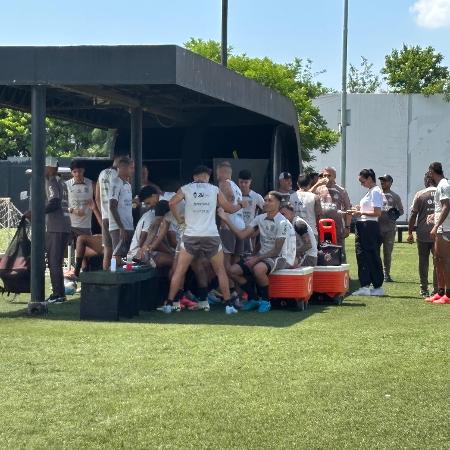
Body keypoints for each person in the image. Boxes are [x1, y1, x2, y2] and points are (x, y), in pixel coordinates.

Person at [164, 165, 245, 314]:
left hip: (190, 235)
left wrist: (178, 219)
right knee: (220, 270)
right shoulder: (214, 189)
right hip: (211, 235)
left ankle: (169, 304)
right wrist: (241, 204)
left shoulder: (186, 188)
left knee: (179, 271)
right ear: (207, 177)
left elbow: (171, 203)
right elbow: (229, 208)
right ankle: (228, 305)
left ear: (195, 177)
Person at [219, 191, 297, 312]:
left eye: (269, 200)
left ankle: (266, 301)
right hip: (264, 256)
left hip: (282, 257)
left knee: (258, 269)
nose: (265, 202)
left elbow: (277, 250)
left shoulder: (282, 222)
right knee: (232, 270)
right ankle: (254, 298)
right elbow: (241, 235)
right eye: (265, 200)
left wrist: (256, 258)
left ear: (278, 204)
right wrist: (226, 219)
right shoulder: (260, 218)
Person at [348, 169, 384, 296]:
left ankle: (377, 285)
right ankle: (365, 285)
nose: (361, 184)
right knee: (362, 255)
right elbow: (369, 208)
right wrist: (358, 209)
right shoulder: (370, 192)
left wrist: (360, 212)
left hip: (369, 226)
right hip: (363, 225)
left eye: (362, 181)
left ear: (369, 178)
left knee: (372, 254)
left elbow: (377, 212)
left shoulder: (375, 191)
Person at [44, 157, 72, 303]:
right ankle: (60, 293)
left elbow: (54, 201)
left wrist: (37, 212)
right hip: (65, 225)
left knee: (54, 261)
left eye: (45, 167)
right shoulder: (62, 182)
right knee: (57, 261)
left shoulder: (52, 181)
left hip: (56, 226)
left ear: (52, 168)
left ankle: (58, 294)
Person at [407, 174, 437, 297]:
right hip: (438, 233)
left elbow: (413, 215)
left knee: (423, 261)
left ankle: (424, 289)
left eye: (425, 180)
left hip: (423, 233)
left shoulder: (420, 194)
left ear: (428, 180)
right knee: (438, 262)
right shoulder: (443, 192)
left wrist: (409, 232)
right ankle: (437, 288)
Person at [310, 166, 351, 256]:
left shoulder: (341, 190)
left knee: (339, 250)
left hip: (337, 225)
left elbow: (348, 208)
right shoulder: (318, 189)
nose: (326, 178)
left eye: (329, 175)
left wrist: (347, 227)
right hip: (321, 225)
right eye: (324, 175)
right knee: (322, 249)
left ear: (334, 176)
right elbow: (305, 196)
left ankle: (341, 266)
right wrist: (317, 184)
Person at [425, 162, 450, 304]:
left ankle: (448, 294)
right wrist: (434, 217)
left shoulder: (444, 185)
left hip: (445, 229)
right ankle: (440, 292)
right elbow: (441, 208)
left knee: (445, 260)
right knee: (438, 260)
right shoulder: (441, 185)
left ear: (431, 172)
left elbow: (447, 206)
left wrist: (436, 226)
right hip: (441, 228)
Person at [128, 188, 173, 268]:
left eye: (148, 203)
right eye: (147, 204)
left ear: (154, 196)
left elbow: (163, 230)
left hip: (145, 252)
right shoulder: (151, 216)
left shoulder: (159, 212)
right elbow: (143, 242)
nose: (149, 206)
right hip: (139, 254)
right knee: (174, 260)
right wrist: (169, 251)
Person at [216, 161, 246, 270]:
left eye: (217, 172)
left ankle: (228, 285)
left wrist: (223, 224)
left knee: (226, 257)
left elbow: (228, 201)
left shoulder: (224, 183)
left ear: (222, 172)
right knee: (236, 258)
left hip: (229, 224)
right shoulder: (236, 187)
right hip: (240, 225)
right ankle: (234, 286)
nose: (217, 176)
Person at [96, 156, 123, 269]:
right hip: (115, 218)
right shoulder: (118, 176)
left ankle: (106, 279)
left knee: (107, 251)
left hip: (105, 216)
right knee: (117, 252)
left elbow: (97, 197)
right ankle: (117, 281)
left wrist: (103, 213)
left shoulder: (102, 173)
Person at [66, 160, 101, 242]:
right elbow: (60, 205)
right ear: (71, 172)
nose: (77, 174)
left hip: (85, 226)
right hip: (69, 225)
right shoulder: (66, 185)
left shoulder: (92, 184)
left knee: (85, 252)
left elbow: (99, 201)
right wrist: (72, 210)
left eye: (80, 171)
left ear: (83, 170)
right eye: (75, 172)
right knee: (67, 251)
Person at [378, 174, 404, 282]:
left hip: (389, 229)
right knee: (375, 251)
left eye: (385, 180)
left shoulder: (395, 196)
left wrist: (395, 213)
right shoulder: (376, 194)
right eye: (381, 180)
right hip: (377, 228)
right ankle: (376, 273)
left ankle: (386, 275)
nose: (382, 182)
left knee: (387, 253)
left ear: (390, 183)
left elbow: (401, 211)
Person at [108, 158, 134, 265]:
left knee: (129, 254)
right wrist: (121, 227)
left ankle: (128, 273)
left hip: (129, 225)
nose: (132, 170)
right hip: (118, 227)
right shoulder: (115, 182)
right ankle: (114, 276)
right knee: (116, 255)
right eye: (131, 168)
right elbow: (112, 206)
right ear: (123, 168)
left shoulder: (127, 184)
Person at [238, 169, 265, 255]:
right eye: (241, 182)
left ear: (250, 182)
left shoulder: (256, 196)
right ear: (238, 181)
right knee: (237, 254)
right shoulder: (235, 195)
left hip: (250, 231)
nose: (243, 185)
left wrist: (257, 231)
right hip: (236, 230)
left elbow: (266, 212)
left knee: (250, 255)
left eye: (246, 182)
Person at [290, 174, 322, 240]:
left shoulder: (290, 197)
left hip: (295, 231)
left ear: (297, 184)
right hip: (311, 231)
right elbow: (319, 215)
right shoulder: (315, 197)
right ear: (310, 183)